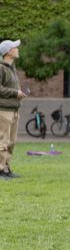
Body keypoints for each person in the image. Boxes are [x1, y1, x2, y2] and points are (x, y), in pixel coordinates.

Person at [0, 39, 26, 180]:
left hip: (14, 110)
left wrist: (19, 93)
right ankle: (0, 170)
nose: (17, 49)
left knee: (11, 142)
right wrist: (15, 93)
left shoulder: (12, 68)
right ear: (9, 52)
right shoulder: (1, 68)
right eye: (15, 47)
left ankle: (6, 168)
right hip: (3, 110)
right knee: (2, 142)